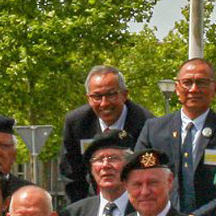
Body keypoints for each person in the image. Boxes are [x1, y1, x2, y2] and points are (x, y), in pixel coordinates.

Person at [136, 58, 216, 216]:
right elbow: (139, 178)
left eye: (202, 83)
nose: (194, 89)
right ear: (177, 88)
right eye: (187, 82)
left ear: (215, 88)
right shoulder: (154, 130)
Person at [61, 65, 151, 204]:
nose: (104, 103)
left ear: (125, 94)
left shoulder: (147, 124)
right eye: (97, 97)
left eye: (111, 95)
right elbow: (71, 176)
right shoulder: (76, 123)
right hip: (92, 203)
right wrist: (82, 214)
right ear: (88, 98)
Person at [55, 128, 133, 216]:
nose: (105, 165)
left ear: (129, 165)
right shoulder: (72, 215)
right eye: (99, 159)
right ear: (91, 169)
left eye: (113, 158)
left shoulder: (143, 212)